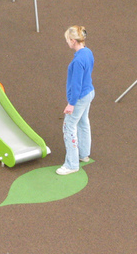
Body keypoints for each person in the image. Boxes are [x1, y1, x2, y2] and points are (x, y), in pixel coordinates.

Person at [57, 25, 95, 176]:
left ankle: (72, 164)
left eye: (67, 40)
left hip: (79, 97)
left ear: (73, 41)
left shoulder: (77, 62)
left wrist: (71, 104)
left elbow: (76, 84)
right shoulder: (88, 52)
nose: (67, 43)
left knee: (68, 127)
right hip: (89, 92)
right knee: (83, 122)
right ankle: (83, 154)